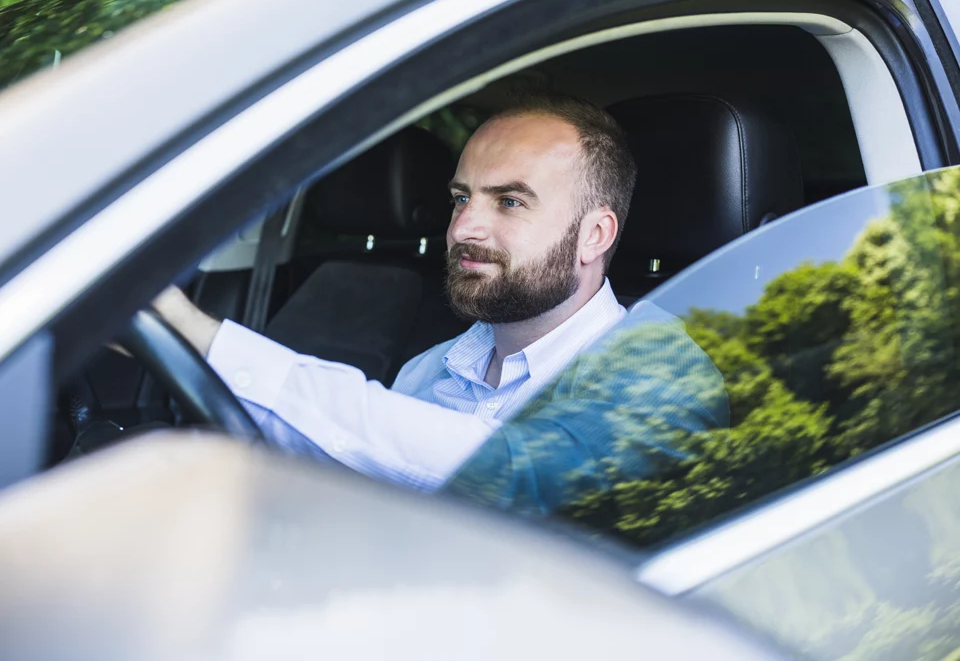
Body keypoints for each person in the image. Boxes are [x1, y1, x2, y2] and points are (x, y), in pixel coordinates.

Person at [154, 91, 729, 509]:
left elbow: (515, 476)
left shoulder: (664, 373)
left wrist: (200, 336)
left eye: (509, 202)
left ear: (594, 235)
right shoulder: (430, 369)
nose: (463, 229)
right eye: (461, 199)